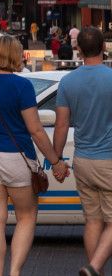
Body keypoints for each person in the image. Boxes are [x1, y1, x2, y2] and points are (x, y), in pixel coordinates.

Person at [0, 35, 67, 276]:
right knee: (26, 216)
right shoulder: (22, 86)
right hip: (16, 156)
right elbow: (35, 130)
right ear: (14, 55)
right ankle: (14, 272)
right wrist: (55, 161)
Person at [52, 26, 112, 276]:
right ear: (104, 48)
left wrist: (56, 159)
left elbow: (62, 124)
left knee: (93, 220)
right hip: (109, 158)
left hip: (82, 159)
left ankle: (93, 270)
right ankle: (95, 266)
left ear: (78, 50)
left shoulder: (68, 82)